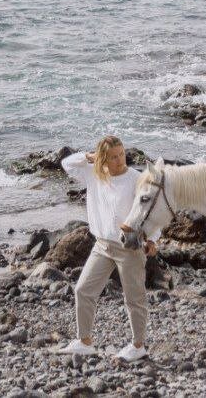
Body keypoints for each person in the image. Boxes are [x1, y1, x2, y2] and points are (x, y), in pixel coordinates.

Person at [55, 135, 158, 362]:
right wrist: (90, 157)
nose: (120, 160)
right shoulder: (94, 175)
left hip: (129, 247)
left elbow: (150, 211)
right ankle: (84, 342)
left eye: (121, 154)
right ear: (103, 158)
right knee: (83, 290)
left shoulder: (137, 179)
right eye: (113, 157)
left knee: (134, 298)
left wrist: (153, 240)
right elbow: (66, 164)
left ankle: (138, 345)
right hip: (101, 245)